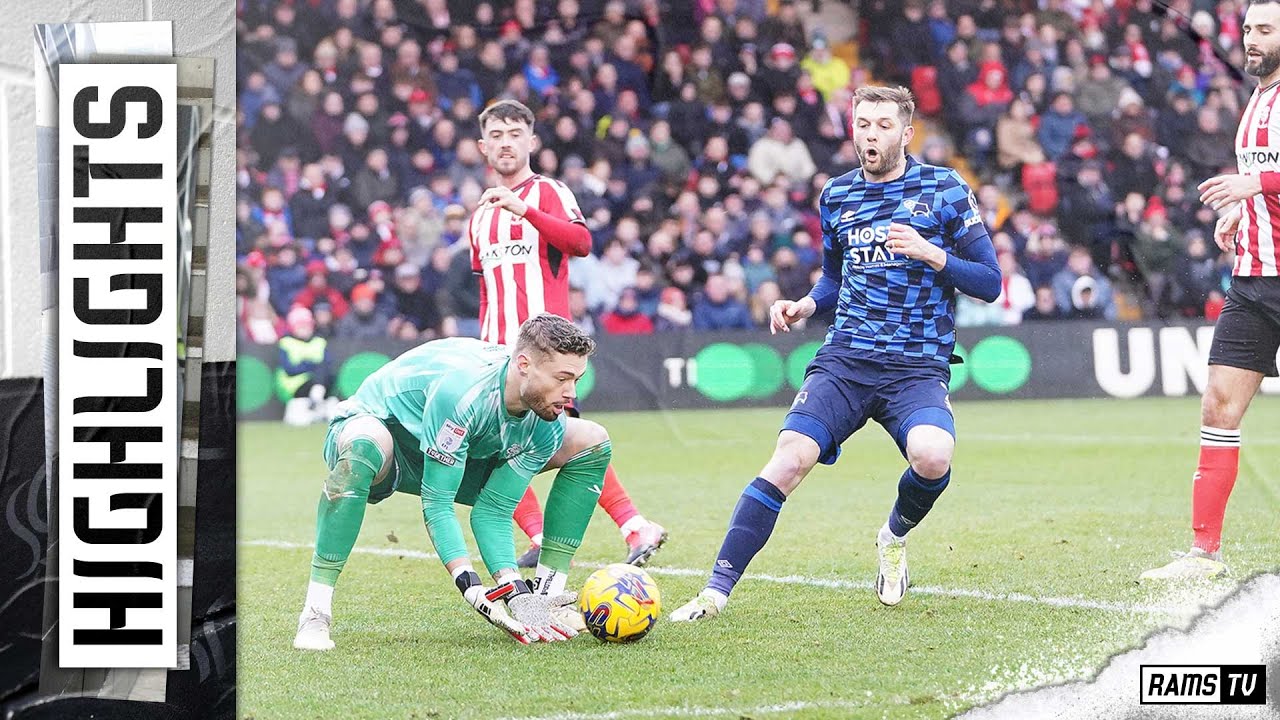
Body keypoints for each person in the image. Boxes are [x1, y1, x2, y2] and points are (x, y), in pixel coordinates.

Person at [671, 86, 1000, 621]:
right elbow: (833, 276)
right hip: (846, 359)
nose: (870, 134)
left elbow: (989, 282)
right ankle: (714, 592)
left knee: (933, 456)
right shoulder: (837, 194)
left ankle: (892, 538)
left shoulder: (944, 189)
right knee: (789, 458)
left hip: (917, 365)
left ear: (906, 132)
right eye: (862, 123)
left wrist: (930, 252)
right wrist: (804, 304)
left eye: (883, 124)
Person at [293, 315, 609, 650]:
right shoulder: (465, 392)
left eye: (576, 379)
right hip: (389, 436)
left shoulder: (547, 421)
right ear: (524, 364)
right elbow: (438, 502)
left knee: (591, 439)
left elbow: (494, 511)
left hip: (462, 453)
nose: (571, 393)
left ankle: (545, 600)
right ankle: (315, 612)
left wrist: (513, 589)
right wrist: (470, 586)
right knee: (364, 445)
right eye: (562, 378)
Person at [465, 100, 668, 570]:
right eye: (496, 135)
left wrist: (525, 209)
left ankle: (634, 525)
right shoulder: (478, 218)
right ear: (483, 147)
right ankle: (552, 535)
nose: (505, 142)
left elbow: (580, 244)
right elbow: (486, 290)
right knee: (491, 449)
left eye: (515, 133)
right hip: (497, 353)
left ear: (532, 142)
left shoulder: (549, 192)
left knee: (564, 438)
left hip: (547, 350)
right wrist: (482, 345)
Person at [1142, 0, 1280, 581]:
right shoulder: (1256, 99)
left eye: (1265, 29)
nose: (1251, 39)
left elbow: (1266, 175)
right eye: (1248, 29)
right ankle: (1205, 554)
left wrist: (1257, 181)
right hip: (1253, 280)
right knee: (1219, 406)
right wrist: (1242, 214)